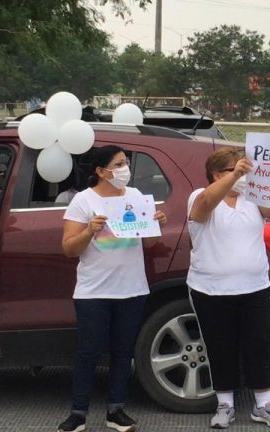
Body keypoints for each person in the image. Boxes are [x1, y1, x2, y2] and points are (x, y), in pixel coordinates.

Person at [57, 145, 167, 432]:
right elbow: (69, 248)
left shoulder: (136, 197)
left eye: (125, 163)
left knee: (122, 351)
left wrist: (156, 225)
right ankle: (78, 413)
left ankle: (115, 410)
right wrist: (89, 231)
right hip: (94, 291)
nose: (124, 170)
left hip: (131, 288)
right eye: (118, 164)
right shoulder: (84, 201)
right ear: (101, 171)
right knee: (88, 351)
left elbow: (148, 243)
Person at [186, 148, 270, 429]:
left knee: (259, 345)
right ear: (216, 174)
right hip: (211, 289)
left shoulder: (251, 199)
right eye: (233, 170)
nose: (242, 175)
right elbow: (206, 204)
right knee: (221, 346)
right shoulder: (199, 196)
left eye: (242, 169)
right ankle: (225, 404)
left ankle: (263, 404)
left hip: (255, 287)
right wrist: (236, 174)